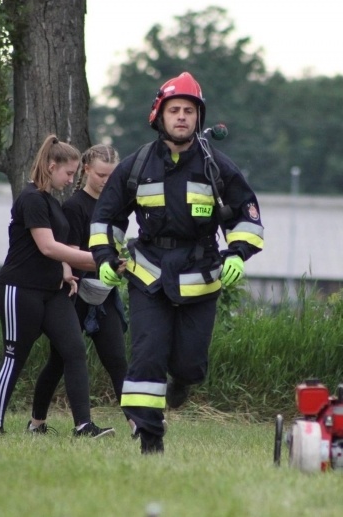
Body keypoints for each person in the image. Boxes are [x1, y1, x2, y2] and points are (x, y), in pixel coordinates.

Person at [90, 72, 265, 454]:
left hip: (200, 275)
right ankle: (150, 440)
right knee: (147, 354)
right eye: (175, 110)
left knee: (189, 365)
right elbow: (106, 215)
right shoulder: (136, 166)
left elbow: (247, 216)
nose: (182, 117)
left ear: (198, 118)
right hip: (148, 272)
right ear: (160, 115)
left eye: (189, 110)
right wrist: (104, 256)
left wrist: (237, 253)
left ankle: (181, 384)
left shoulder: (217, 167)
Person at [0, 135, 117, 438]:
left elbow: (57, 252)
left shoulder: (51, 202)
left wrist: (66, 270)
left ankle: (84, 426)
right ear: (51, 165)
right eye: (68, 173)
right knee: (15, 356)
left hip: (53, 290)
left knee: (73, 350)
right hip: (19, 289)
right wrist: (98, 260)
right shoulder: (31, 198)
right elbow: (47, 247)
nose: (71, 180)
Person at [28, 145, 130, 435]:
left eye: (112, 176)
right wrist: (102, 263)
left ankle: (137, 424)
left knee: (117, 360)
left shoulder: (117, 207)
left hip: (104, 291)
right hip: (76, 292)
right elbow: (70, 255)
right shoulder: (74, 207)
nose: (106, 181)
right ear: (86, 170)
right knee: (60, 361)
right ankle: (37, 423)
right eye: (100, 175)